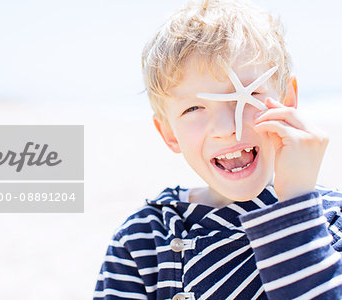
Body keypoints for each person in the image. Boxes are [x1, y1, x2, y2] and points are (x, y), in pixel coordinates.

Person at [93, 0, 342, 299]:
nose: (226, 128)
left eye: (248, 95)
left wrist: (296, 205)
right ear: (169, 133)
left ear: (287, 101)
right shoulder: (144, 240)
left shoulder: (330, 221)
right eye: (194, 107)